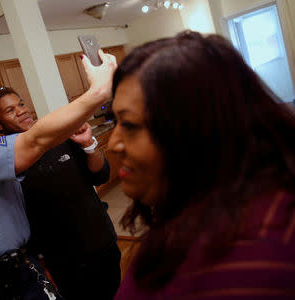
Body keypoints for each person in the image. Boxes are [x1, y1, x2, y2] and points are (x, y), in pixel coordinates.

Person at [107, 31, 295, 299]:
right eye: (115, 122)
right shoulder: (203, 212)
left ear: (196, 130)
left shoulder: (253, 263)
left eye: (129, 125)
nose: (114, 144)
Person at [0, 50, 117, 299]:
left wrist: (88, 145)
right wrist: (98, 92)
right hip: (1, 278)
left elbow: (97, 173)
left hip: (15, 268)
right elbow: (37, 140)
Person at [0, 86, 121, 300]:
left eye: (20, 104)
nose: (21, 111)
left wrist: (88, 144)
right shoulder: (4, 162)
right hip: (64, 260)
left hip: (102, 242)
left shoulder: (59, 136)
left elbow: (101, 175)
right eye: (10, 110)